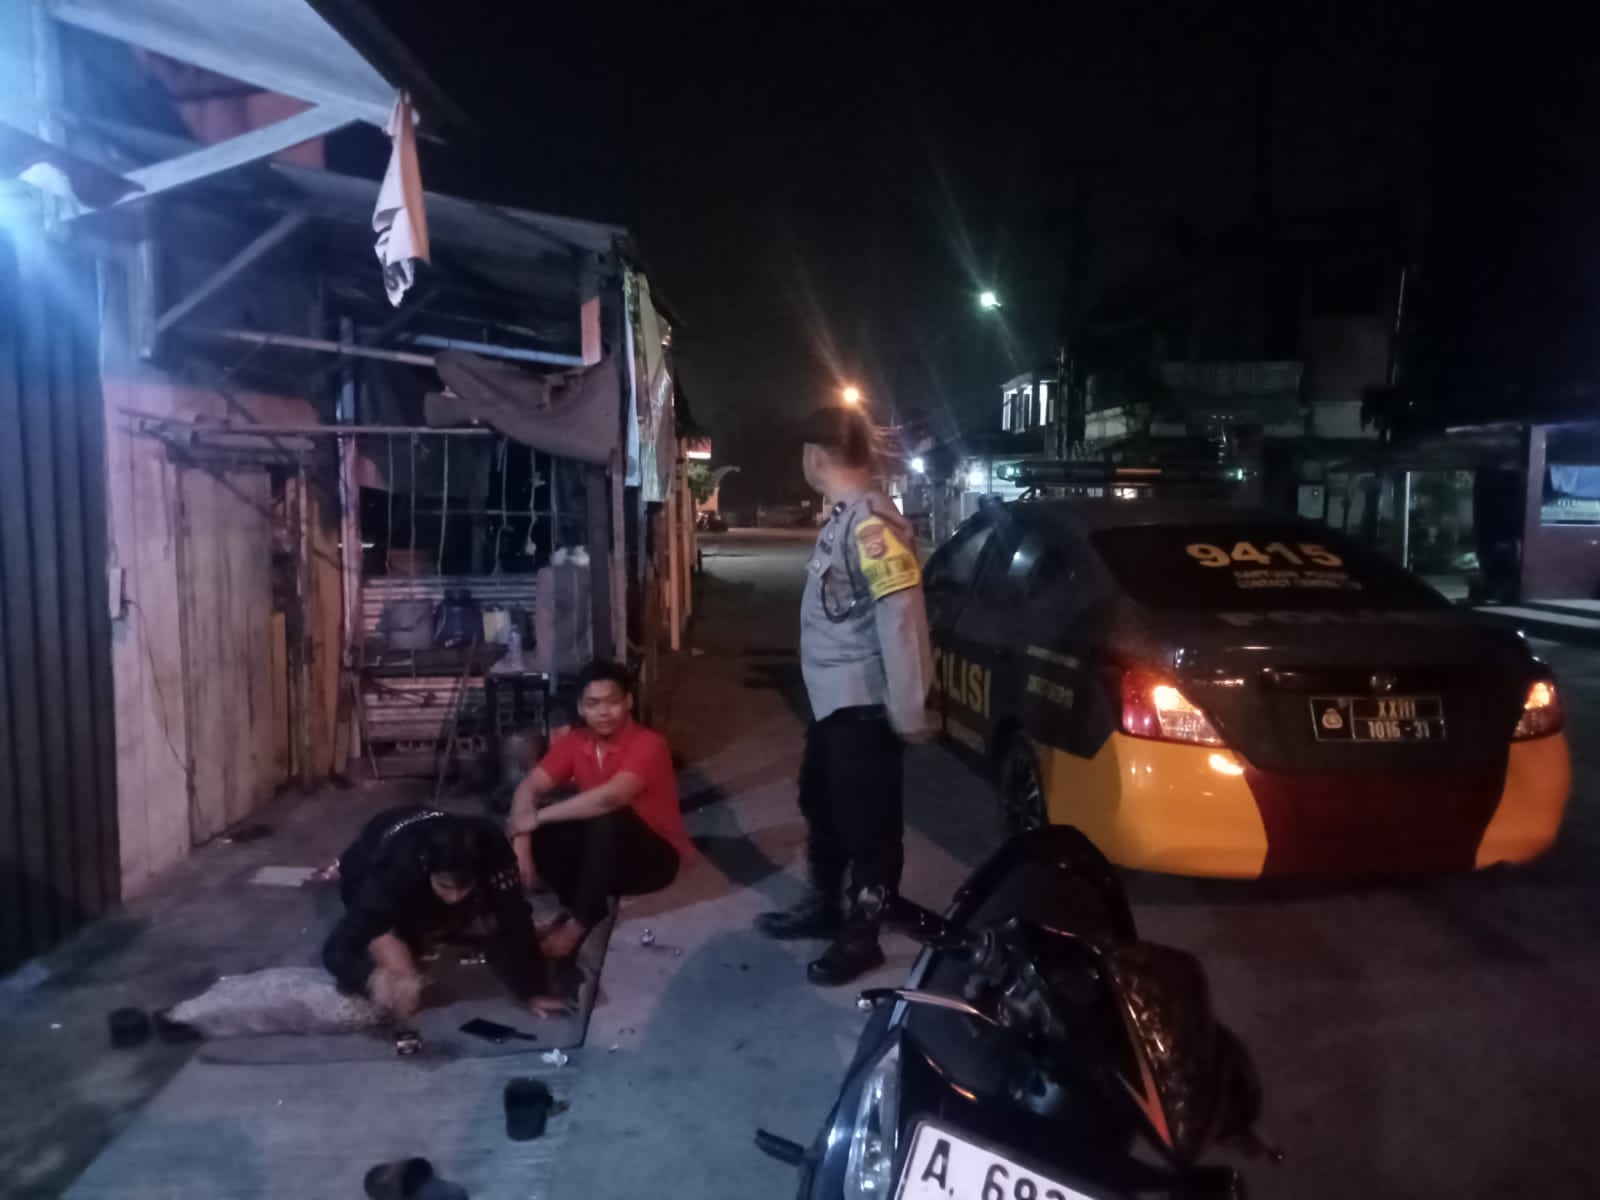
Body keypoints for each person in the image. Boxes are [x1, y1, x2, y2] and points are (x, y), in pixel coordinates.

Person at [757, 403, 934, 986]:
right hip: (834, 704)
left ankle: (863, 935)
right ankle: (826, 907)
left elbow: (902, 619)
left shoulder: (872, 527)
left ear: (815, 457)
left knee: (868, 826)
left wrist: (908, 706)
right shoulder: (845, 517)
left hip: (864, 705)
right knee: (822, 803)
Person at [508, 660, 688, 962]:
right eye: (593, 704)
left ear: (628, 702)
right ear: (581, 708)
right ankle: (576, 904)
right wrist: (523, 838)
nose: (603, 712)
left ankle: (578, 924)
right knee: (550, 828)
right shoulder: (575, 742)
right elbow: (528, 786)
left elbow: (611, 798)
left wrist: (534, 818)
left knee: (606, 817)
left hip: (653, 862)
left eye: (612, 702)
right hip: (605, 861)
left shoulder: (649, 744)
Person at [321, 806, 553, 1018]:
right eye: (445, 887)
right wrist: (370, 979)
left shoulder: (492, 845)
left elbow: (515, 916)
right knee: (404, 990)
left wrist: (535, 990)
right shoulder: (392, 873)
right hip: (367, 862)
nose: (454, 897)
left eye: (463, 888)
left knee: (500, 916)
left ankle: (445, 916)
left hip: (425, 845)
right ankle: (340, 867)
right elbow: (335, 949)